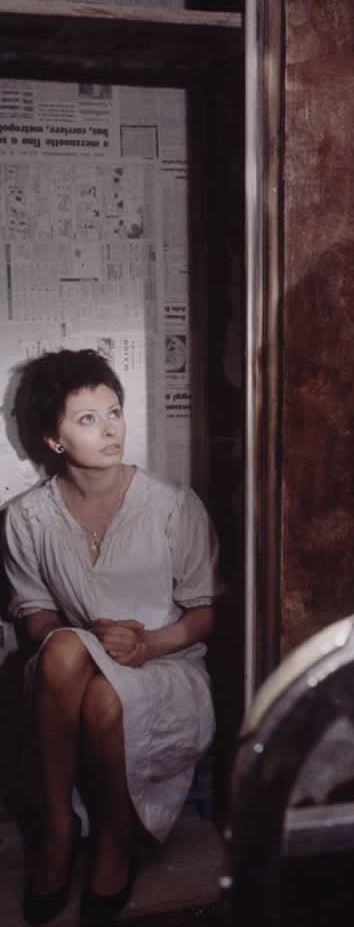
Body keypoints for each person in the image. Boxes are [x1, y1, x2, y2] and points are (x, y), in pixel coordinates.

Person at [3, 348, 222, 925]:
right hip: (69, 668)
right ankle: (58, 826)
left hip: (165, 667)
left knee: (106, 698)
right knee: (65, 647)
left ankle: (113, 833)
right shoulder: (26, 519)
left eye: (114, 412)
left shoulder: (172, 507)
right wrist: (90, 643)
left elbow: (203, 614)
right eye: (87, 419)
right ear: (53, 440)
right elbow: (37, 619)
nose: (110, 430)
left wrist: (149, 645)